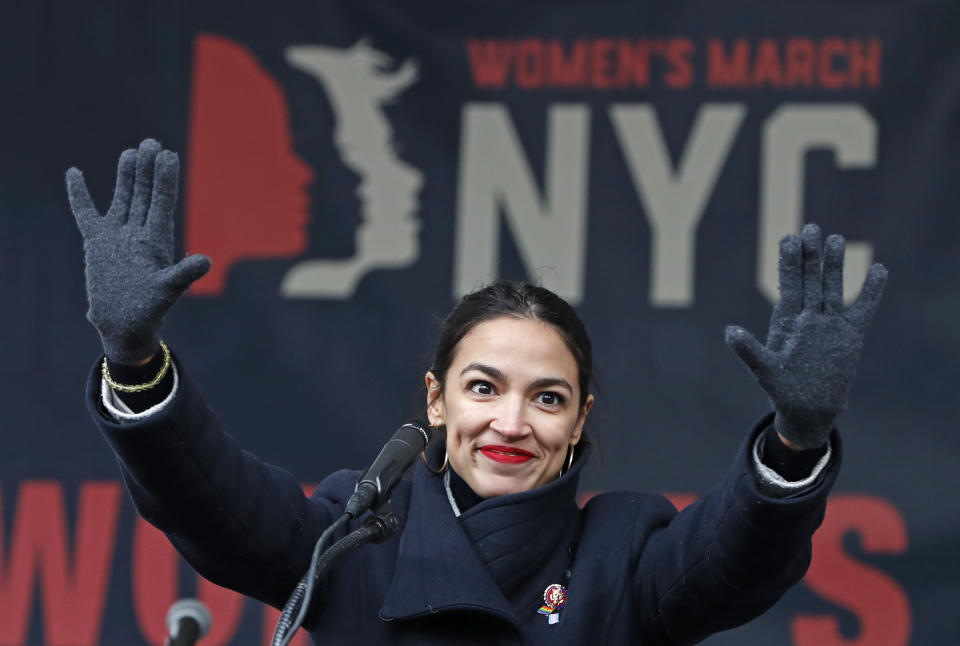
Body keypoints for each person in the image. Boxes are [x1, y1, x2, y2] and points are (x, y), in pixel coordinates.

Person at [66, 139, 887, 645]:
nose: (512, 421)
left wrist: (795, 440)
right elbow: (210, 497)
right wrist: (134, 358)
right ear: (437, 400)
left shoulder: (624, 553)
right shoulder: (353, 537)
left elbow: (734, 558)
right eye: (484, 386)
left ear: (579, 422)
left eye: (548, 398)